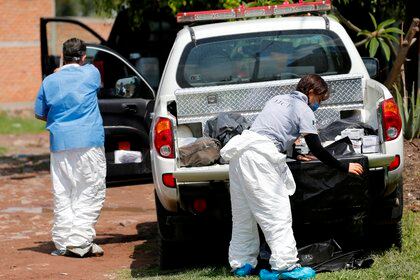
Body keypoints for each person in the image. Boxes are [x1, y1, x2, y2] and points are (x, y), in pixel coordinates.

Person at [220, 74, 363, 279]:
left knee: (244, 216)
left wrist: (295, 154)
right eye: (320, 100)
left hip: (240, 155)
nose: (318, 105)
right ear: (311, 92)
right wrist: (343, 167)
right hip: (260, 159)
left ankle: (241, 264)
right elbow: (317, 146)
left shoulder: (276, 99)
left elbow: (273, 131)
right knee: (277, 214)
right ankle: (286, 267)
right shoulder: (302, 109)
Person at [34, 38, 106, 257]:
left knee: (64, 193)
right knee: (90, 189)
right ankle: (80, 241)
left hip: (60, 144)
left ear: (61, 56)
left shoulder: (49, 81)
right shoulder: (91, 73)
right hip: (88, 142)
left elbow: (40, 113)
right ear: (83, 57)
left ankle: (64, 242)